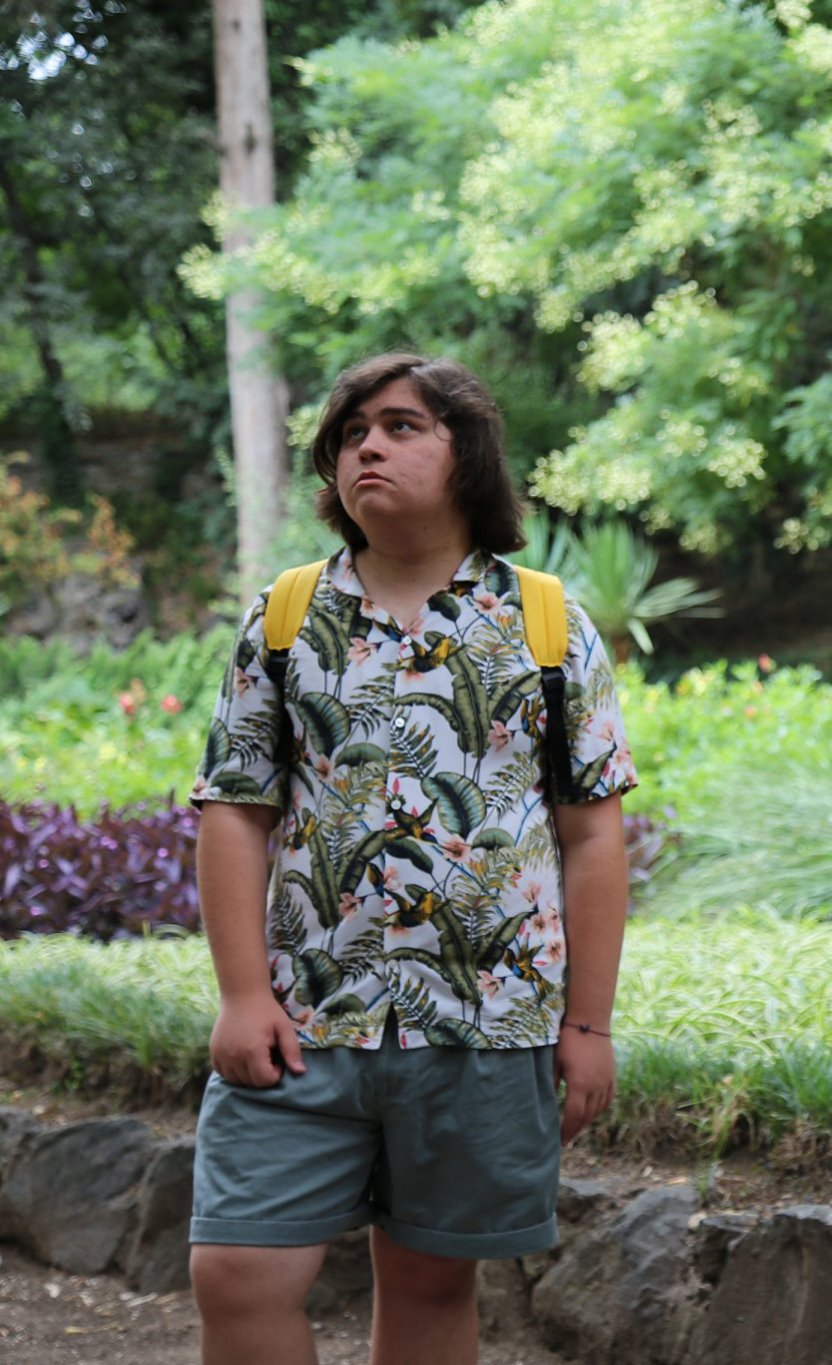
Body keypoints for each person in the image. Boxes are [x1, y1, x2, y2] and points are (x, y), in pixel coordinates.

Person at [185, 353, 636, 1365]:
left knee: (432, 1280)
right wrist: (241, 995)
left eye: (400, 426)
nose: (368, 448)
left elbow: (592, 834)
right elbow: (235, 812)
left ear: (466, 453)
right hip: (302, 1019)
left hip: (488, 1026)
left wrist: (588, 1024)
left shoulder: (547, 623)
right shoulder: (284, 617)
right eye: (351, 434)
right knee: (237, 1269)